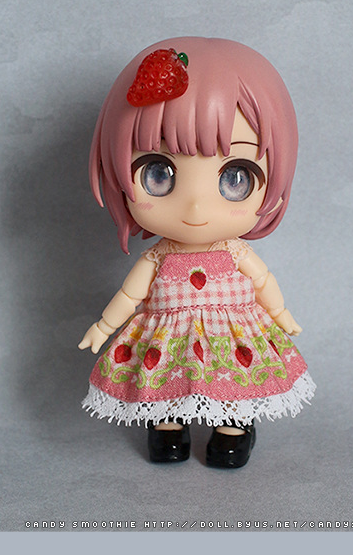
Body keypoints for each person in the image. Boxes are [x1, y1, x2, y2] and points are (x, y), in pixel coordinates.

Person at [79, 37, 315, 468]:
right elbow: (131, 295)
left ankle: (234, 427)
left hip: (231, 334)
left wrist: (281, 314)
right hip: (168, 336)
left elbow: (262, 280)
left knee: (235, 383)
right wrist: (103, 326)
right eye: (158, 174)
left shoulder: (234, 251)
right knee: (165, 380)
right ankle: (167, 424)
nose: (195, 208)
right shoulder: (157, 258)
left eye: (235, 177)